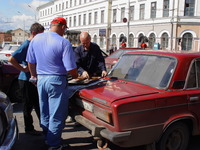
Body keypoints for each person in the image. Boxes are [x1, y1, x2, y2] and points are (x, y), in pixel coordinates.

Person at [26, 17, 78, 150]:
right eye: (65, 29)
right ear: (62, 27)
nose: (64, 31)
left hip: (41, 80)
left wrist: (33, 76)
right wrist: (77, 76)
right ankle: (54, 145)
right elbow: (70, 68)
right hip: (56, 81)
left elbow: (30, 61)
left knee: (45, 113)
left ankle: (49, 139)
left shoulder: (36, 39)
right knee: (57, 114)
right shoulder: (63, 42)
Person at [8, 23, 44, 135]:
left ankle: (44, 127)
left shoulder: (35, 44)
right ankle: (29, 128)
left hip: (33, 80)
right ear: (33, 33)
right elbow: (11, 59)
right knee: (27, 105)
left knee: (38, 104)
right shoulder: (26, 44)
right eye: (40, 35)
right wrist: (23, 69)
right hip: (26, 80)